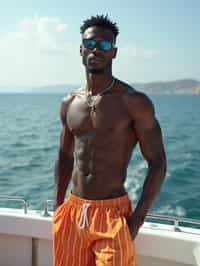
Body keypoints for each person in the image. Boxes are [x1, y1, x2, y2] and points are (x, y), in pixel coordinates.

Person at [52, 14, 166, 266]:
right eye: (90, 43)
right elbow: (64, 155)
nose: (96, 50)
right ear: (81, 48)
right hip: (73, 211)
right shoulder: (69, 103)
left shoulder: (134, 102)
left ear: (114, 52)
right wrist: (59, 205)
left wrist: (136, 220)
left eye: (104, 45)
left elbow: (158, 162)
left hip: (113, 215)